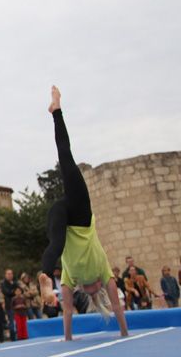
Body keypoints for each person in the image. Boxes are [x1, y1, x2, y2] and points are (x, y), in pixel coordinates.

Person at [37, 86, 128, 341]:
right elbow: (115, 306)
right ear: (97, 289)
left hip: (70, 217)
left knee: (56, 244)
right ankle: (44, 274)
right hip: (74, 215)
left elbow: (68, 311)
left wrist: (68, 338)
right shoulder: (96, 273)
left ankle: (45, 275)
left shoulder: (82, 276)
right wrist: (123, 332)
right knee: (65, 157)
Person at [0, 269, 18, 342]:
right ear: (5, 275)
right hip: (9, 305)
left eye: (11, 274)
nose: (10, 275)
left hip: (18, 304)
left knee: (19, 321)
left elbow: (20, 290)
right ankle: (13, 337)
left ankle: (20, 335)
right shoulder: (3, 283)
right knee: (11, 322)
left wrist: (14, 291)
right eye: (8, 274)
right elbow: (7, 292)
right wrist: (14, 291)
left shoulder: (15, 282)